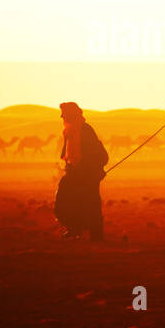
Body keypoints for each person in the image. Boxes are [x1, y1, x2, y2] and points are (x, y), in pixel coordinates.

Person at [55, 102, 108, 240]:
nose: (62, 117)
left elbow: (95, 154)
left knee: (91, 203)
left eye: (64, 114)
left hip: (88, 174)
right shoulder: (70, 131)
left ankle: (95, 235)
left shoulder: (85, 130)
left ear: (71, 115)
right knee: (68, 200)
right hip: (75, 173)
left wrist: (90, 171)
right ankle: (74, 229)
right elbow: (66, 155)